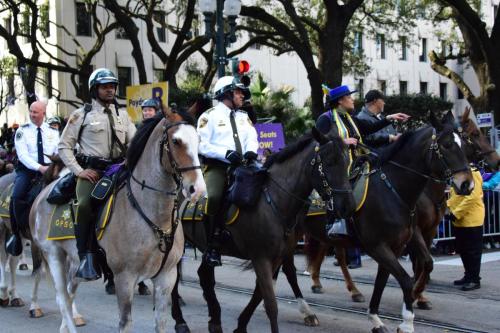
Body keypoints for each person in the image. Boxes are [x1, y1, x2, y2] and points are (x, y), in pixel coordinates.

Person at [58, 68, 136, 281]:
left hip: (119, 170)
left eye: (112, 86)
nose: (110, 90)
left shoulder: (124, 115)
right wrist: (80, 171)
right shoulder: (80, 114)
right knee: (84, 205)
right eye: (105, 86)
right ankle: (86, 256)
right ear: (95, 89)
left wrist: (130, 157)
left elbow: (134, 143)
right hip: (92, 173)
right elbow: (64, 147)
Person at [315, 85, 409, 238]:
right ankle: (336, 224)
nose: (353, 100)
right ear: (340, 101)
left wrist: (390, 118)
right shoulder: (325, 119)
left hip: (356, 162)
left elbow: (370, 128)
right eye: (350, 97)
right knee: (343, 187)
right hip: (336, 166)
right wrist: (343, 142)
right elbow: (318, 144)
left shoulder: (350, 119)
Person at [197, 76, 259, 267]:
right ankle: (212, 245)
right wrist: (225, 153)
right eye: (238, 92)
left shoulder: (243, 116)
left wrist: (251, 151)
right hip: (218, 167)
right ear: (227, 93)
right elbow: (201, 145)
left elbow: (252, 137)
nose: (242, 96)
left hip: (244, 165)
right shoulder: (209, 116)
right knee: (214, 196)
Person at [5, 101, 60, 256]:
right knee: (17, 196)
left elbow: (58, 150)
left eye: (36, 112)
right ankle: (17, 234)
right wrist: (39, 168)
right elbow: (22, 155)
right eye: (31, 111)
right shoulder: (22, 131)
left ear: (43, 113)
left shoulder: (53, 132)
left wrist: (52, 166)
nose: (32, 114)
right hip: (28, 170)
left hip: (50, 170)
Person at [447, 168, 485, 291]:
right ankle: (468, 275)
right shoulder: (460, 173)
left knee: (472, 251)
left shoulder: (473, 172)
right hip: (460, 220)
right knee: (463, 250)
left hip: (472, 219)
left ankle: (474, 279)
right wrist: (447, 208)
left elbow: (472, 197)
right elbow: (455, 195)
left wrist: (456, 213)